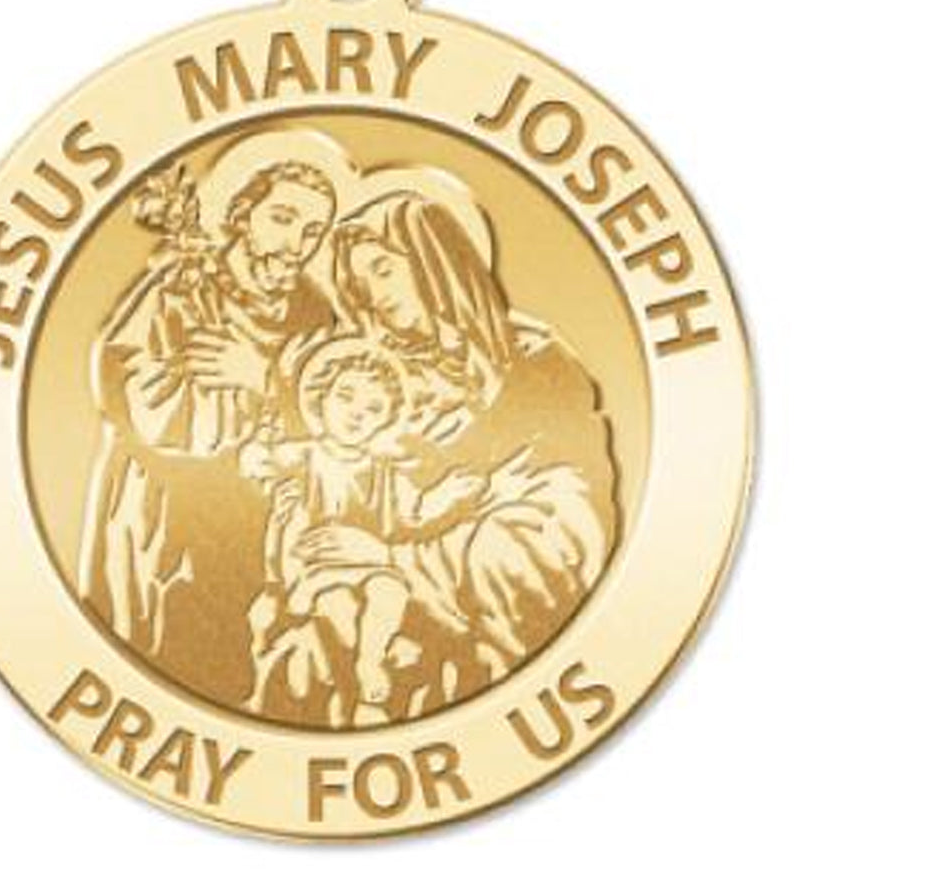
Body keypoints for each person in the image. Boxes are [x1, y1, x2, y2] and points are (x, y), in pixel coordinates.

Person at [291, 191, 618, 713]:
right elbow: (369, 500)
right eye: (360, 282)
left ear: (433, 259)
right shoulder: (376, 389)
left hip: (509, 553)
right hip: (408, 563)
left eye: (384, 269)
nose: (374, 294)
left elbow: (569, 487)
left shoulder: (534, 357)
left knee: (500, 548)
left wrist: (393, 556)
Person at [76, 155, 336, 704]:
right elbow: (126, 378)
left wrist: (263, 378)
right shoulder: (179, 289)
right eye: (282, 219)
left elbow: (335, 411)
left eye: (313, 231)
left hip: (258, 513)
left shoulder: (313, 311)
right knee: (165, 647)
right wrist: (204, 415)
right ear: (243, 216)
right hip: (168, 506)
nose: (296, 245)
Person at [240, 337, 486, 723]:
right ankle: (372, 667)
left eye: (373, 409)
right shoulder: (306, 455)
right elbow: (257, 463)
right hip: (312, 566)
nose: (357, 414)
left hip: (369, 565)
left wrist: (445, 492)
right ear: (319, 399)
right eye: (346, 397)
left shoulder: (383, 472)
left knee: (389, 589)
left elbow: (414, 512)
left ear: (386, 420)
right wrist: (261, 445)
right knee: (336, 601)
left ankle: (370, 659)